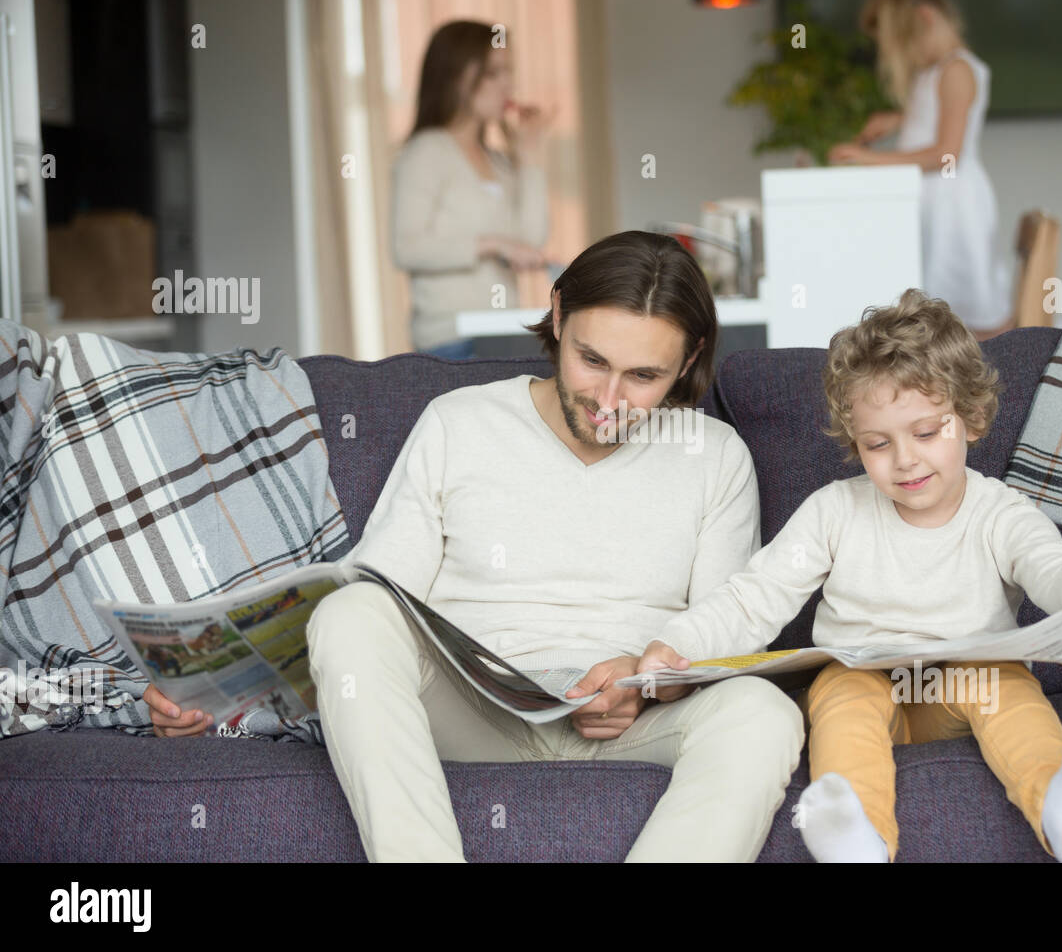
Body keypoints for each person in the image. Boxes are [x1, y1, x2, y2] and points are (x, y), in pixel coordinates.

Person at [300, 231, 804, 862]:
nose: (609, 402)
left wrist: (646, 685)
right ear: (559, 314)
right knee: (350, 611)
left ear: (689, 358)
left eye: (644, 376)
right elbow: (380, 598)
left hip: (635, 721)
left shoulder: (717, 458)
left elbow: (721, 638)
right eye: (592, 360)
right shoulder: (459, 422)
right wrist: (222, 698)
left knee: (760, 710)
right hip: (473, 710)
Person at [648, 289, 1062, 862]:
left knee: (1004, 683)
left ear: (972, 420)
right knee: (840, 692)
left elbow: (1047, 564)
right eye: (878, 444)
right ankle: (860, 842)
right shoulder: (835, 510)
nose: (904, 459)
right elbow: (756, 597)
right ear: (856, 443)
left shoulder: (1000, 511)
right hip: (865, 685)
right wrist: (676, 646)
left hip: (960, 694)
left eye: (927, 433)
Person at [829, 0, 1014, 341]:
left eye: (904, 41)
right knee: (942, 314)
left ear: (926, 17)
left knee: (977, 316)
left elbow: (947, 154)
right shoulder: (933, 72)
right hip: (937, 205)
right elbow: (936, 117)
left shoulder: (957, 69)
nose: (906, 53)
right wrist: (899, 120)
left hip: (956, 208)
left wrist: (867, 158)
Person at [392, 20, 554, 359]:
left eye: (509, 72)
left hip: (500, 332)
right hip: (451, 340)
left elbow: (531, 241)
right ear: (456, 78)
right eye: (494, 73)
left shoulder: (498, 162)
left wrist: (531, 155)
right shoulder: (426, 152)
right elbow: (407, 248)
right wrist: (492, 244)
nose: (508, 85)